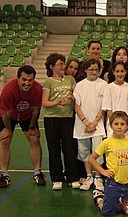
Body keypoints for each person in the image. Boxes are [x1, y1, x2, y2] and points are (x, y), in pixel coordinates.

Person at [90, 111, 128, 216]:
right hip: (113, 183)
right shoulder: (107, 142)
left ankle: (120, 200)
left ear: (127, 126)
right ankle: (99, 198)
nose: (119, 127)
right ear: (111, 125)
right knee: (108, 213)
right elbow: (92, 158)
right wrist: (103, 171)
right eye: (116, 124)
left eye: (122, 124)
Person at [0, 65, 44, 188]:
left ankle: (37, 173)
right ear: (18, 78)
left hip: (27, 115)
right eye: (24, 79)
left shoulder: (38, 88)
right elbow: (5, 112)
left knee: (34, 139)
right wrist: (7, 129)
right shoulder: (9, 89)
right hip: (9, 116)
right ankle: (4, 174)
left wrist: (32, 127)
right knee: (5, 140)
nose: (27, 83)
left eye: (30, 80)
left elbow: (35, 110)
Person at [42, 53, 80, 190]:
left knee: (69, 148)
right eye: (60, 64)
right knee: (54, 149)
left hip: (67, 118)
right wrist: (58, 102)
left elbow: (76, 96)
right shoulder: (48, 82)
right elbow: (44, 102)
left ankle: (72, 177)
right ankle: (57, 178)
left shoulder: (70, 79)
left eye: (63, 64)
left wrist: (70, 99)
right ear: (52, 66)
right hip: (51, 119)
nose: (63, 66)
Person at [72, 58, 108, 191]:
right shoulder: (79, 85)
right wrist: (86, 122)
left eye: (96, 69)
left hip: (97, 126)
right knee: (84, 152)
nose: (93, 72)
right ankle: (89, 176)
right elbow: (77, 106)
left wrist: (94, 123)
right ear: (85, 70)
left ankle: (98, 177)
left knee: (97, 151)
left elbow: (104, 106)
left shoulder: (104, 85)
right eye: (91, 69)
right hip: (82, 126)